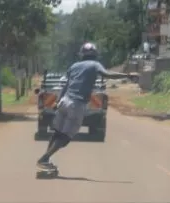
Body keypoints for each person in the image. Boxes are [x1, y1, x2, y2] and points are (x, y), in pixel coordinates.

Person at [37, 42, 136, 170]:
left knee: (57, 132)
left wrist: (57, 101)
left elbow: (66, 85)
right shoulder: (95, 64)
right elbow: (107, 75)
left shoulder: (74, 66)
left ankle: (46, 159)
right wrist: (127, 76)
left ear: (81, 54)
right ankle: (44, 158)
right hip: (76, 104)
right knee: (66, 136)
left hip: (64, 101)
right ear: (95, 54)